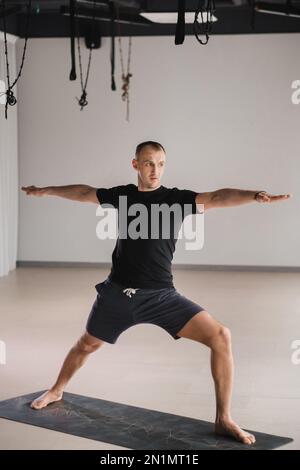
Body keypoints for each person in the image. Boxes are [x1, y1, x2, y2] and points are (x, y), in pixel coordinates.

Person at [21, 141, 292, 445]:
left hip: (162, 296)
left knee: (220, 336)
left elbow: (217, 197)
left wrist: (254, 196)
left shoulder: (177, 200)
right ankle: (57, 389)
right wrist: (47, 190)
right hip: (117, 294)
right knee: (86, 345)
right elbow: (84, 192)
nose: (155, 170)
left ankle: (223, 419)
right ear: (135, 164)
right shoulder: (122, 195)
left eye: (161, 163)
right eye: (149, 163)